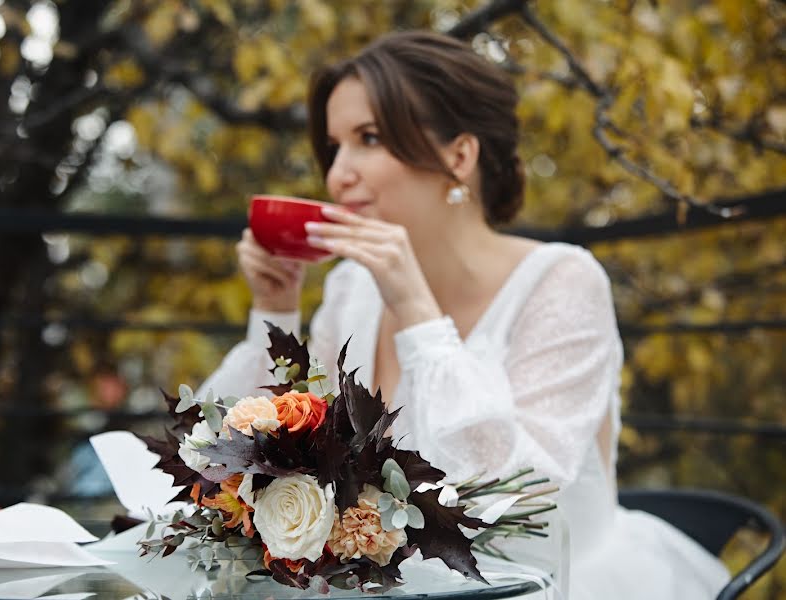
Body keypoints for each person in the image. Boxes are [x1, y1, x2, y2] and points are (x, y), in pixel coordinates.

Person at [198, 31, 729, 599]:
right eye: (335, 148)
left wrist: (418, 315)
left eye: (369, 138)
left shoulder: (563, 282)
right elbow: (251, 458)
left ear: (459, 155)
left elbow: (520, 501)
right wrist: (274, 311)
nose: (337, 176)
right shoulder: (354, 287)